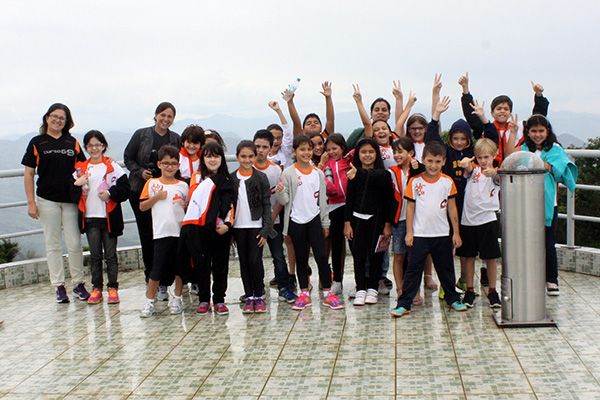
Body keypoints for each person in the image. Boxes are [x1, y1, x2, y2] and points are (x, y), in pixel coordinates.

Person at [426, 95, 499, 295]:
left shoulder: (476, 155)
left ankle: (464, 281)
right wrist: (435, 116)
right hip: (447, 203)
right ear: (450, 138)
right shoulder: (446, 152)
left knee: (466, 250)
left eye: (463, 139)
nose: (459, 142)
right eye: (455, 138)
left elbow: (491, 142)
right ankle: (446, 284)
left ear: (468, 140)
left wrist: (484, 119)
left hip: (468, 207)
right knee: (447, 244)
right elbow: (431, 140)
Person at [391, 142, 468, 317]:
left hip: (442, 234)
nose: (433, 165)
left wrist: (456, 232)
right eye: (430, 161)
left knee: (446, 269)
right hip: (419, 235)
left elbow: (452, 208)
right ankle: (404, 303)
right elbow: (410, 208)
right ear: (423, 160)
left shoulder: (447, 182)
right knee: (413, 270)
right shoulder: (414, 181)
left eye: (438, 161)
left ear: (444, 161)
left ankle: (452, 298)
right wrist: (409, 232)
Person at [22, 103, 89, 303]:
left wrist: (83, 185)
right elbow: (29, 173)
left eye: (62, 118)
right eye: (54, 116)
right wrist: (31, 203)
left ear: (67, 122)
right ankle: (59, 286)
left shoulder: (72, 142)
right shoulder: (37, 142)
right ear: (47, 118)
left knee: (74, 243)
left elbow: (82, 168)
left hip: (70, 200)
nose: (58, 120)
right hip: (46, 199)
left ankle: (78, 284)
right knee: (53, 244)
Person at [505, 114, 577, 296]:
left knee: (548, 243)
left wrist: (544, 164)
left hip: (547, 204)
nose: (537, 134)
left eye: (541, 131)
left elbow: (560, 172)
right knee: (526, 242)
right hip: (526, 202)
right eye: (533, 131)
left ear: (547, 131)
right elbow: (510, 158)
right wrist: (512, 132)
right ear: (528, 132)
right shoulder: (524, 148)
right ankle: (530, 278)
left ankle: (551, 280)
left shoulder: (555, 149)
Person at [275, 135, 343, 311]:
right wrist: (280, 192)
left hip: (314, 219)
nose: (306, 153)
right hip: (296, 221)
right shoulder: (288, 173)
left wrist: (325, 223)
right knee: (301, 258)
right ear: (295, 151)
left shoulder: (318, 173)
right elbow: (284, 201)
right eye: (302, 149)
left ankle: (328, 293)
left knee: (321, 256)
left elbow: (323, 201)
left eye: (309, 149)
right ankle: (304, 293)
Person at [124, 102, 180, 301]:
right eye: (162, 115)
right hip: (142, 192)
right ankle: (151, 280)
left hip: (167, 194)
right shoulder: (141, 135)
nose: (165, 119)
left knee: (166, 237)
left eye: (170, 116)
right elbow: (128, 158)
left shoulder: (176, 138)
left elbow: (178, 163)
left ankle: (165, 281)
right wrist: (140, 172)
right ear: (156, 115)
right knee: (148, 236)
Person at [72, 130, 130, 305]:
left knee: (111, 255)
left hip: (109, 218)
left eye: (98, 144)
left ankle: (113, 288)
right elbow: (71, 191)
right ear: (86, 147)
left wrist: (110, 193)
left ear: (103, 146)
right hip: (90, 218)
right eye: (90, 145)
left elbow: (125, 189)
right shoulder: (81, 168)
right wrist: (77, 185)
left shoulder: (112, 166)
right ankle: (96, 288)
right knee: (95, 256)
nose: (94, 148)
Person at [180, 142, 236, 314]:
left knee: (221, 265)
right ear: (203, 159)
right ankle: (204, 299)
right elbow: (194, 202)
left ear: (222, 159)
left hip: (221, 229)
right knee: (201, 265)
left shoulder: (228, 179)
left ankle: (219, 299)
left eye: (216, 156)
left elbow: (232, 204)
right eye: (208, 156)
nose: (212, 160)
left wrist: (227, 224)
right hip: (199, 229)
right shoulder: (197, 178)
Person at [344, 138, 396, 305]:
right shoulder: (353, 174)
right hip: (357, 221)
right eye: (364, 152)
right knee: (358, 256)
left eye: (371, 152)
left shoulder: (384, 175)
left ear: (377, 154)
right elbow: (349, 200)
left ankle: (373, 288)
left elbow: (389, 201)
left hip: (377, 222)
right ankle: (360, 288)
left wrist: (388, 224)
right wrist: (347, 223)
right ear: (358, 154)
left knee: (376, 256)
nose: (367, 155)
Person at [139, 145, 189, 317]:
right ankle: (149, 301)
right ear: (159, 164)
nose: (169, 167)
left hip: (180, 232)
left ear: (178, 165)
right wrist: (156, 197)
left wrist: (185, 205)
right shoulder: (152, 183)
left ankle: (177, 298)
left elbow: (189, 208)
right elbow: (142, 206)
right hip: (161, 233)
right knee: (156, 269)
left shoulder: (183, 185)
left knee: (179, 268)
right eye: (166, 163)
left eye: (173, 163)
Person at [455, 138, 502, 307]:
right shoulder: (473, 171)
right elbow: (466, 168)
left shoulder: (496, 174)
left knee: (490, 258)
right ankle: (469, 290)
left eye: (486, 157)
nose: (483, 161)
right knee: (468, 257)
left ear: (494, 156)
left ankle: (492, 290)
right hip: (468, 220)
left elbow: (499, 178)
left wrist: (494, 173)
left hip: (487, 220)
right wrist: (465, 163)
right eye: (480, 157)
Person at [253, 129, 297, 303]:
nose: (260, 150)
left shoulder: (276, 170)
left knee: (278, 255)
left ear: (271, 148)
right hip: (253, 222)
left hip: (274, 220)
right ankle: (257, 291)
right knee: (254, 258)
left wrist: (271, 217)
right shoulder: (248, 168)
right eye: (257, 146)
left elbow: (281, 197)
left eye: (265, 147)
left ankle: (284, 288)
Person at [232, 141, 275, 313]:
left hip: (256, 226)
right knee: (243, 262)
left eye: (250, 156)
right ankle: (249, 296)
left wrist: (265, 230)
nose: (247, 160)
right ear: (237, 157)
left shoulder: (261, 177)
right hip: (238, 227)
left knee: (255, 261)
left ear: (255, 157)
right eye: (243, 156)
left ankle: (259, 295)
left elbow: (267, 205)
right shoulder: (231, 178)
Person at [389, 137, 425, 296]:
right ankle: (400, 288)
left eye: (400, 151)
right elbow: (387, 199)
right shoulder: (391, 172)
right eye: (394, 152)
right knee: (398, 256)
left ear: (410, 153)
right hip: (399, 220)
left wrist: (418, 167)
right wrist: (388, 223)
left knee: (414, 258)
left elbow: (430, 173)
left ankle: (414, 290)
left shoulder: (418, 170)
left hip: (417, 221)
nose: (397, 155)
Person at [321, 134, 351, 295]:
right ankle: (337, 280)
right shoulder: (326, 166)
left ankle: (363, 281)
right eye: (329, 149)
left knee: (355, 245)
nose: (332, 152)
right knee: (337, 246)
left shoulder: (349, 161)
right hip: (334, 207)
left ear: (342, 148)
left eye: (335, 148)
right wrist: (322, 163)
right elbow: (328, 186)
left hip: (351, 206)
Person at [267, 101, 294, 168]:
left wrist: (278, 111)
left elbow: (287, 133)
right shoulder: (263, 155)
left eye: (279, 138)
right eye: (273, 138)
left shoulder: (285, 151)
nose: (275, 141)